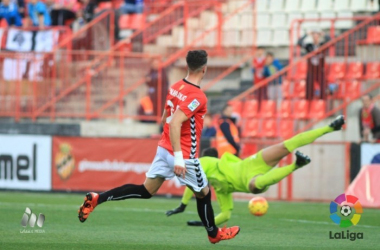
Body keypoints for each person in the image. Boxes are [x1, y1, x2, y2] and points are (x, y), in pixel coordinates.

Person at [77, 50, 240, 244]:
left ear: (188, 66)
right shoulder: (198, 96)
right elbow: (175, 122)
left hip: (164, 148)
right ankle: (214, 234)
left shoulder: (175, 87)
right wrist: (179, 158)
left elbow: (165, 119)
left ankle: (97, 198)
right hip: (183, 154)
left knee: (146, 190)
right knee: (203, 192)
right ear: (204, 69)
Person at [166, 116, 345, 226]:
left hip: (250, 172)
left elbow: (192, 184)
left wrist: (183, 206)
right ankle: (325, 132)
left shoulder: (205, 162)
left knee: (260, 179)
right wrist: (205, 223)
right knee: (285, 146)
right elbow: (226, 213)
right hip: (251, 167)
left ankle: (303, 157)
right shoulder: (221, 189)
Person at [297, 29, 330, 100]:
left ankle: (322, 103)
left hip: (320, 70)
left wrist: (323, 34)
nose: (315, 37)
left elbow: (331, 41)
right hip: (311, 70)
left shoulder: (322, 45)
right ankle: (309, 104)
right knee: (309, 89)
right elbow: (299, 42)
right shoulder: (309, 46)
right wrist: (306, 34)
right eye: (314, 35)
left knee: (323, 88)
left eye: (317, 35)